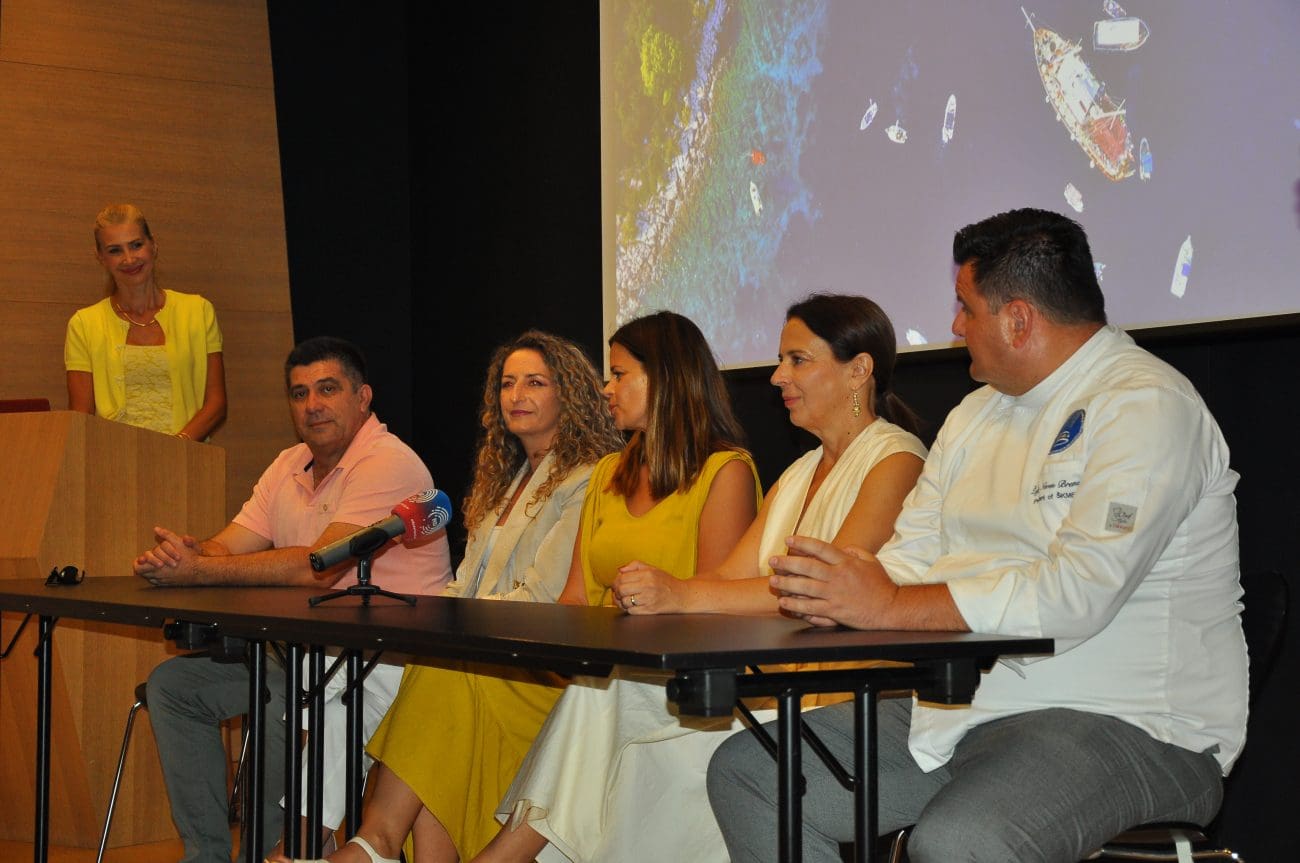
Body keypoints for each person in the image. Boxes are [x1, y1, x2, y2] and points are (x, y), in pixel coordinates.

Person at [708, 208, 1247, 863]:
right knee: (752, 774)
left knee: (960, 842)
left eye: (965, 307)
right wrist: (836, 589)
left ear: (1017, 319)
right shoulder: (974, 415)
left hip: (1131, 722)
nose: (955, 326)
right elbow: (910, 555)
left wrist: (887, 604)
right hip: (968, 708)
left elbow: (1078, 593)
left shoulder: (1146, 404)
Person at [279, 311, 761, 863]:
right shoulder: (611, 472)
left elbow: (714, 608)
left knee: (451, 675)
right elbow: (573, 601)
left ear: (668, 378)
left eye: (619, 374)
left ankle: (373, 847)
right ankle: (376, 845)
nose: (607, 388)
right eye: (507, 383)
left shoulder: (722, 472)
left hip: (655, 681)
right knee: (441, 670)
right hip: (581, 668)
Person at [479, 294, 928, 863]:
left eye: (797, 360)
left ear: (858, 370)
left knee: (631, 728)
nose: (777, 376)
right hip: (769, 686)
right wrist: (668, 594)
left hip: (834, 703)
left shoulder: (897, 460)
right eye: (780, 360)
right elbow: (728, 581)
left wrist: (676, 592)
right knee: (613, 692)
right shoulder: (799, 472)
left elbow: (823, 590)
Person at [133, 335, 453, 863]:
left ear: (363, 398)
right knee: (175, 686)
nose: (312, 405)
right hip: (311, 657)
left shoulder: (388, 462)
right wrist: (184, 556)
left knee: (286, 697)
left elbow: (319, 567)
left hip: (392, 665)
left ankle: (279, 852)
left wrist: (202, 569)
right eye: (299, 393)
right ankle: (208, 857)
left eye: (327, 389)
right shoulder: (288, 464)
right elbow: (227, 546)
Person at [65, 203, 227, 440]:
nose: (129, 259)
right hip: (113, 458)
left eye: (136, 245)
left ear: (153, 245)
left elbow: (216, 403)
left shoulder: (199, 311)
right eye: (115, 250)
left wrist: (176, 447)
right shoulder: (83, 325)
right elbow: (82, 418)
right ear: (101, 258)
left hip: (187, 455)